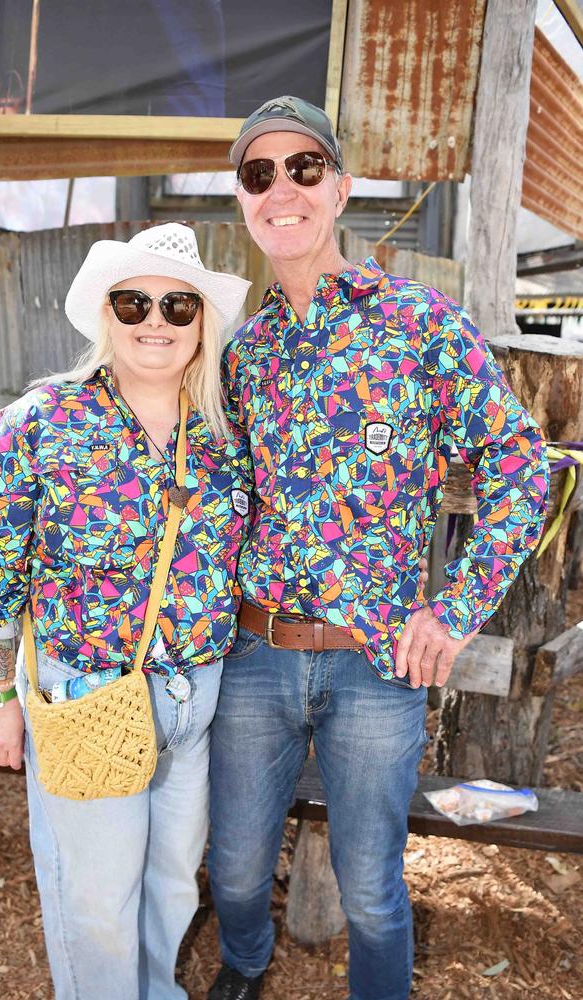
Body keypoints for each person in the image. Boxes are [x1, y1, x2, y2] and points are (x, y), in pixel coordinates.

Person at [206, 97, 549, 1000]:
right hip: (254, 654)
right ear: (244, 201)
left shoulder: (419, 324)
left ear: (341, 188)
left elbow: (520, 465)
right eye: (259, 174)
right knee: (236, 870)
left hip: (375, 667)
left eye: (304, 168)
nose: (282, 188)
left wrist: (456, 608)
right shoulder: (241, 354)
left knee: (373, 893)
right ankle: (243, 966)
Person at [0, 223, 252, 1000]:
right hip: (88, 692)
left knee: (175, 885)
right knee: (97, 902)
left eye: (178, 304)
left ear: (201, 323)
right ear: (106, 314)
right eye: (134, 300)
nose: (156, 319)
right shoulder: (44, 419)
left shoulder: (226, 434)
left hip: (197, 694)